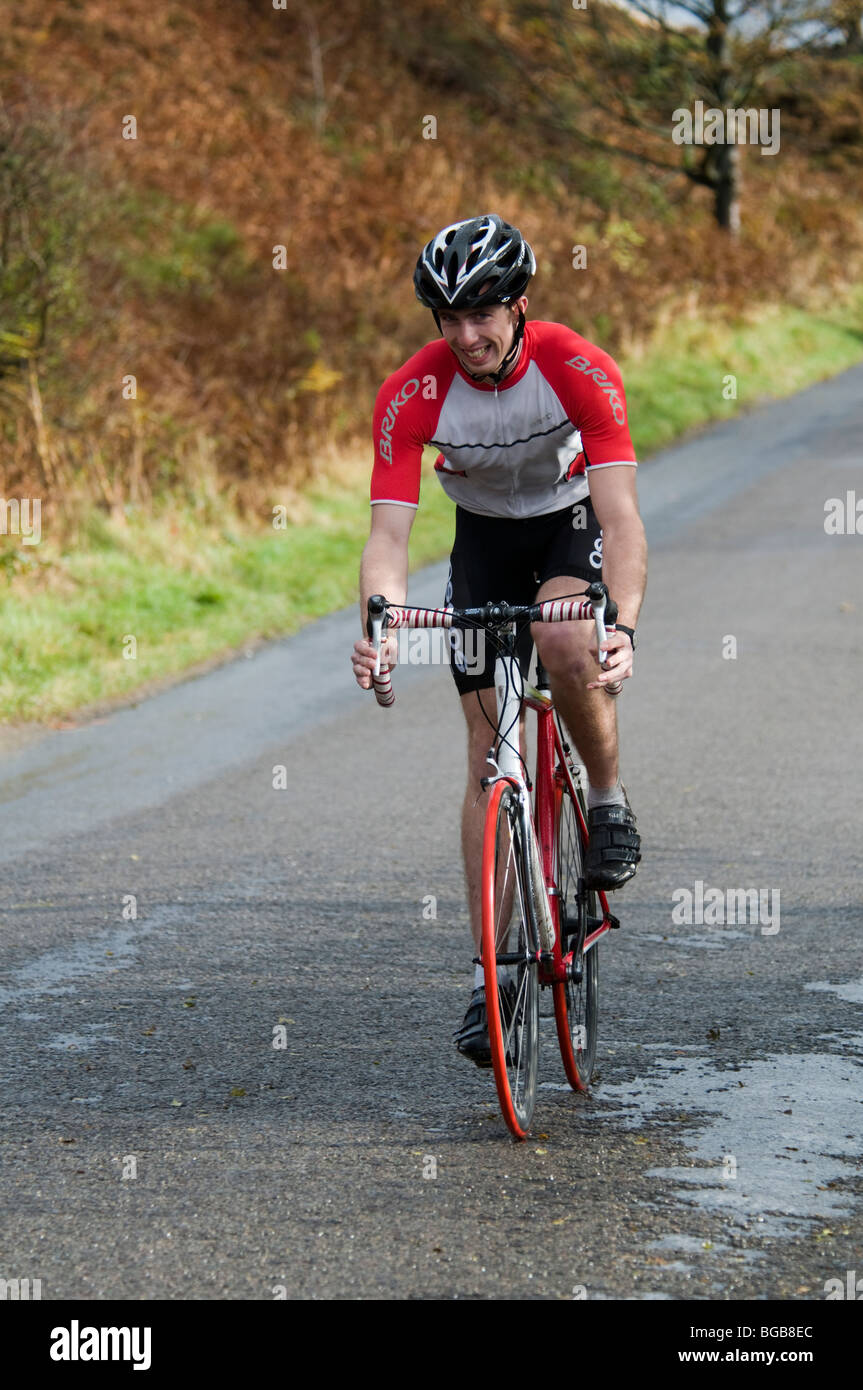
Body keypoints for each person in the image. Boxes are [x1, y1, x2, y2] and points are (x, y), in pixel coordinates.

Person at [351, 214, 646, 1065]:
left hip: (569, 529)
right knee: (489, 755)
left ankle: (605, 799)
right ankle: (493, 973)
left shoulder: (576, 366)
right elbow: (389, 537)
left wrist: (619, 624)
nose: (467, 335)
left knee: (562, 645)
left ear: (519, 307)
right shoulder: (412, 392)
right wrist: (376, 621)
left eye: (483, 314)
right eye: (449, 319)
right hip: (482, 544)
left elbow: (622, 517)